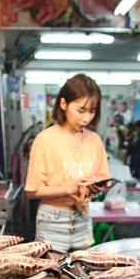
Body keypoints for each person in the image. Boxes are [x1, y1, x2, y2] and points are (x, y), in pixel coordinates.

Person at [25, 74, 111, 253]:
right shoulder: (45, 139)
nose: (86, 118)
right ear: (63, 104)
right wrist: (71, 188)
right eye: (81, 110)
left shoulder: (94, 140)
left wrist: (97, 186)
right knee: (51, 278)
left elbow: (106, 181)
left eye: (92, 111)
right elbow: (32, 191)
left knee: (84, 277)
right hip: (52, 220)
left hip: (83, 216)